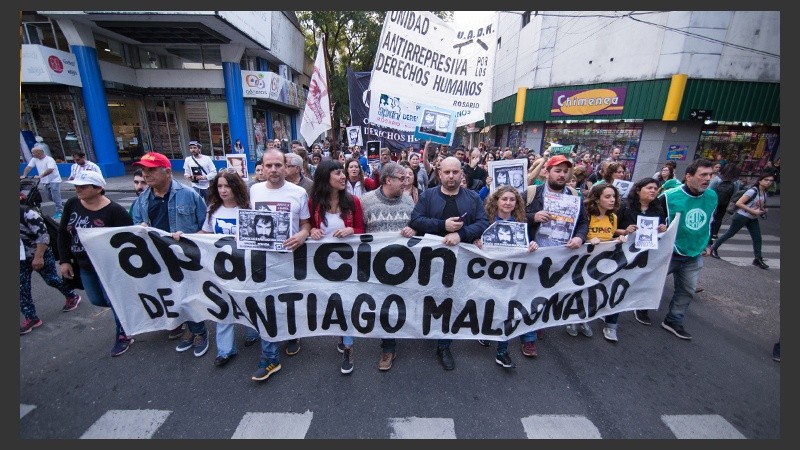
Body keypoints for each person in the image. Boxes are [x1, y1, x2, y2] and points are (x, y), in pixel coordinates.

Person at [409, 157, 490, 371]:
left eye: (456, 172)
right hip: (430, 262)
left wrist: (461, 234)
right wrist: (442, 225)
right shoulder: (427, 196)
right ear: (440, 172)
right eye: (447, 172)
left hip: (461, 263)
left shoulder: (472, 198)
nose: (451, 176)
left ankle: (444, 345)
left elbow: (483, 223)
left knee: (452, 302)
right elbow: (416, 220)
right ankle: (427, 329)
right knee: (429, 298)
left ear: (462, 174)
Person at [130, 152, 210, 352]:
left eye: (151, 170)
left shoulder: (189, 194)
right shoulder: (142, 200)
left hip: (184, 257)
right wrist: (139, 227)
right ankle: (190, 330)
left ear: (167, 172)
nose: (146, 174)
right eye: (144, 170)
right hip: (157, 258)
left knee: (189, 296)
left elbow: (205, 226)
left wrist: (189, 238)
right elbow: (135, 226)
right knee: (172, 296)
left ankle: (199, 332)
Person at [249, 149, 311, 380]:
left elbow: (306, 223)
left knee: (288, 304)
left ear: (286, 166)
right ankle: (270, 358)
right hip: (261, 260)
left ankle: (292, 334)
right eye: (269, 166)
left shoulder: (299, 193)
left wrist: (303, 235)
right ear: (262, 168)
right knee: (266, 306)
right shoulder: (253, 191)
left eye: (278, 165)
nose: (274, 170)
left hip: (290, 260)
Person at [58, 171, 135, 356]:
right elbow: (62, 233)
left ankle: (124, 333)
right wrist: (64, 260)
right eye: (77, 186)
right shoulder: (72, 204)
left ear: (99, 188)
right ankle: (127, 310)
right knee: (96, 299)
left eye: (83, 186)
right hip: (84, 264)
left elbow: (129, 239)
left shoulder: (115, 211)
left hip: (108, 267)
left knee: (113, 300)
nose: (78, 189)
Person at [196, 170, 260, 367]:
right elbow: (204, 233)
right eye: (219, 186)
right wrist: (185, 238)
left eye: (227, 186)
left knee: (247, 302)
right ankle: (225, 350)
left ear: (236, 187)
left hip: (246, 266)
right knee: (222, 306)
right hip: (221, 267)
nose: (223, 190)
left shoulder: (248, 208)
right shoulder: (213, 210)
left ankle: (252, 331)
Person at [308, 160, 365, 374]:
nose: (343, 176)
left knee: (346, 304)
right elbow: (309, 227)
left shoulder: (353, 201)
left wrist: (352, 231)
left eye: (343, 172)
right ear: (325, 178)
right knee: (332, 304)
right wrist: (312, 231)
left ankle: (349, 346)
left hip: (348, 265)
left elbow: (362, 229)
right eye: (337, 173)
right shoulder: (314, 203)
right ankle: (343, 335)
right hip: (322, 266)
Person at [473, 185, 539, 367]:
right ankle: (486, 332)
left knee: (507, 310)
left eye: (512, 200)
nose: (508, 203)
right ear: (496, 201)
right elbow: (474, 241)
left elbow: (529, 242)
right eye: (504, 199)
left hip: (511, 276)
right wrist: (476, 242)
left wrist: (532, 245)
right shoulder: (485, 221)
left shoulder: (521, 223)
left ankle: (502, 351)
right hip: (488, 274)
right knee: (489, 307)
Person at [525, 155, 589, 341]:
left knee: (549, 294)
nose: (562, 175)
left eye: (565, 171)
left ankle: (537, 323)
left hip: (562, 255)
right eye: (557, 171)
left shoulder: (574, 196)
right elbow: (514, 215)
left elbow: (583, 222)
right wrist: (533, 217)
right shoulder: (532, 193)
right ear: (547, 172)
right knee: (531, 294)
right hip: (534, 253)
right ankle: (529, 337)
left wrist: (579, 237)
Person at [360, 162, 417, 371]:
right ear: (387, 180)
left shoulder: (409, 201)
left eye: (406, 178)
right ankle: (388, 348)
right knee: (384, 308)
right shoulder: (365, 202)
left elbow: (416, 227)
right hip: (377, 270)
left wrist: (413, 229)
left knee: (401, 305)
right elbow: (358, 233)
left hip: (405, 268)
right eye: (401, 178)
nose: (405, 182)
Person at [657, 158, 717, 340]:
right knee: (652, 283)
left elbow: (710, 221)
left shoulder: (712, 196)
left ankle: (674, 320)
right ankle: (641, 308)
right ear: (689, 176)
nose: (708, 179)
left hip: (694, 253)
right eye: (703, 175)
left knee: (687, 289)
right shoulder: (669, 196)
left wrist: (707, 243)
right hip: (669, 251)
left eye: (710, 175)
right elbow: (654, 219)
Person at [19, 193, 82, 335]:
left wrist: (39, 257)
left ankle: (71, 295)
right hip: (21, 257)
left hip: (39, 253)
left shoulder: (27, 214)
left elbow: (43, 236)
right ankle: (31, 317)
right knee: (22, 286)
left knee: (51, 279)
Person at [578, 183, 629, 341]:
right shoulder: (587, 215)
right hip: (585, 260)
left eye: (614, 196)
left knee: (597, 292)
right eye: (607, 197)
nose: (612, 200)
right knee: (582, 291)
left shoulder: (613, 217)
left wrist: (619, 238)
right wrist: (587, 239)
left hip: (605, 261)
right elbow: (579, 233)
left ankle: (585, 319)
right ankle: (575, 319)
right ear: (597, 199)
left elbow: (610, 235)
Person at [615, 178, 668, 327]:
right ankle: (611, 311)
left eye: (655, 188)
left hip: (646, 252)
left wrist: (662, 229)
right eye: (649, 187)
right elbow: (612, 228)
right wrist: (625, 231)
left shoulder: (657, 209)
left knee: (643, 279)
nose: (653, 191)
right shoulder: (625, 206)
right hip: (624, 252)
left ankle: (640, 308)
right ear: (638, 190)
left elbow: (661, 229)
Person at [710, 172, 774, 269]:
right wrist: (752, 210)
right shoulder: (753, 191)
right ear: (760, 180)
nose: (768, 182)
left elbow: (759, 205)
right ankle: (713, 248)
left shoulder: (764, 193)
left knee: (757, 238)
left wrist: (763, 210)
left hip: (752, 218)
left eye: (770, 181)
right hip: (742, 216)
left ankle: (758, 259)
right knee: (730, 233)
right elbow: (739, 203)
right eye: (766, 180)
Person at [21, 146, 64, 220]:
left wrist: (41, 175)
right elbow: (29, 167)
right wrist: (24, 175)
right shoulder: (34, 159)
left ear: (38, 152)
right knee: (50, 197)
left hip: (54, 180)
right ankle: (61, 204)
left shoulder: (49, 159)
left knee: (55, 196)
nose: (32, 154)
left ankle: (59, 211)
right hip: (45, 181)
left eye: (33, 153)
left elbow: (50, 169)